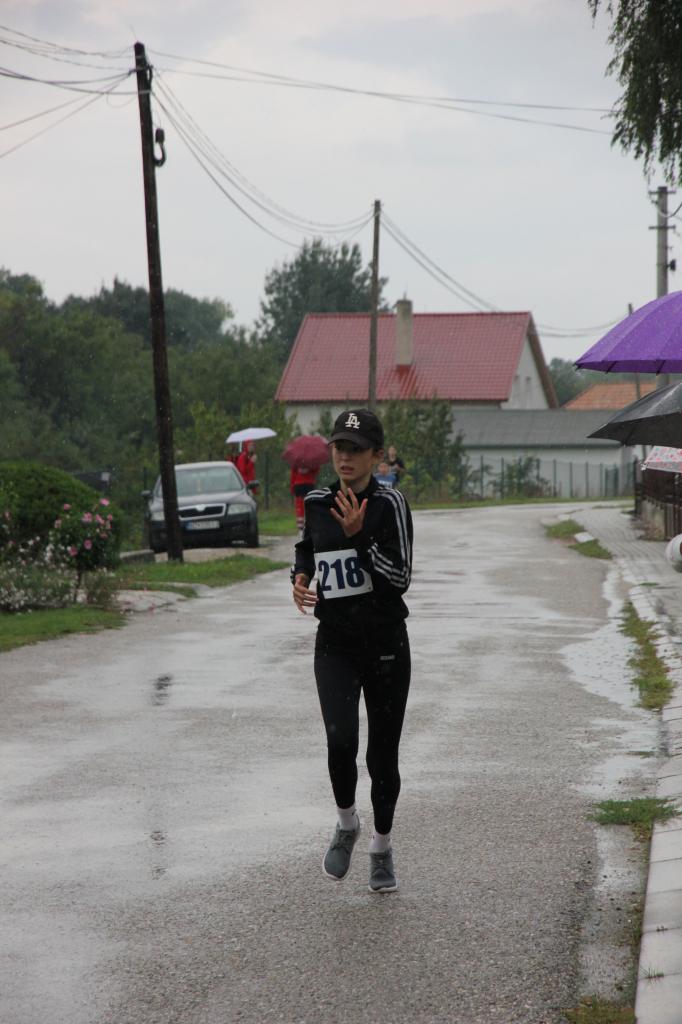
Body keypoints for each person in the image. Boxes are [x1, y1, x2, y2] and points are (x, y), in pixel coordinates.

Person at [291, 409, 413, 894]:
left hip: (385, 645)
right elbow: (307, 547)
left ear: (376, 456)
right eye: (339, 448)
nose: (345, 457)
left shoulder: (390, 503)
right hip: (336, 644)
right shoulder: (317, 501)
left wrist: (360, 537)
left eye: (356, 450)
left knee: (382, 756)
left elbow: (400, 578)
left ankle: (381, 847)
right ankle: (347, 823)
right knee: (340, 742)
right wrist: (300, 576)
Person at [290, 463, 318, 535]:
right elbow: (316, 471)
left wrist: (292, 487)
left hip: (298, 484)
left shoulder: (296, 461)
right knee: (309, 504)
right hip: (309, 484)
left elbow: (293, 474)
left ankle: (300, 528)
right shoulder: (312, 461)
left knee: (299, 506)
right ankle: (309, 525)